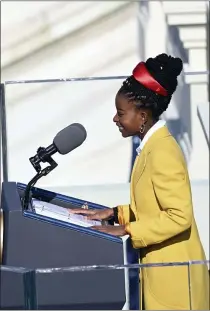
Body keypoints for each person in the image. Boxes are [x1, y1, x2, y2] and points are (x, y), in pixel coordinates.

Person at [70, 53, 209, 310]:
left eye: (120, 113)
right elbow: (154, 205)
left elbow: (180, 216)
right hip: (163, 280)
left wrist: (127, 229)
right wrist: (114, 214)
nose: (115, 119)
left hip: (177, 286)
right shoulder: (151, 147)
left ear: (142, 116)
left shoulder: (162, 152)